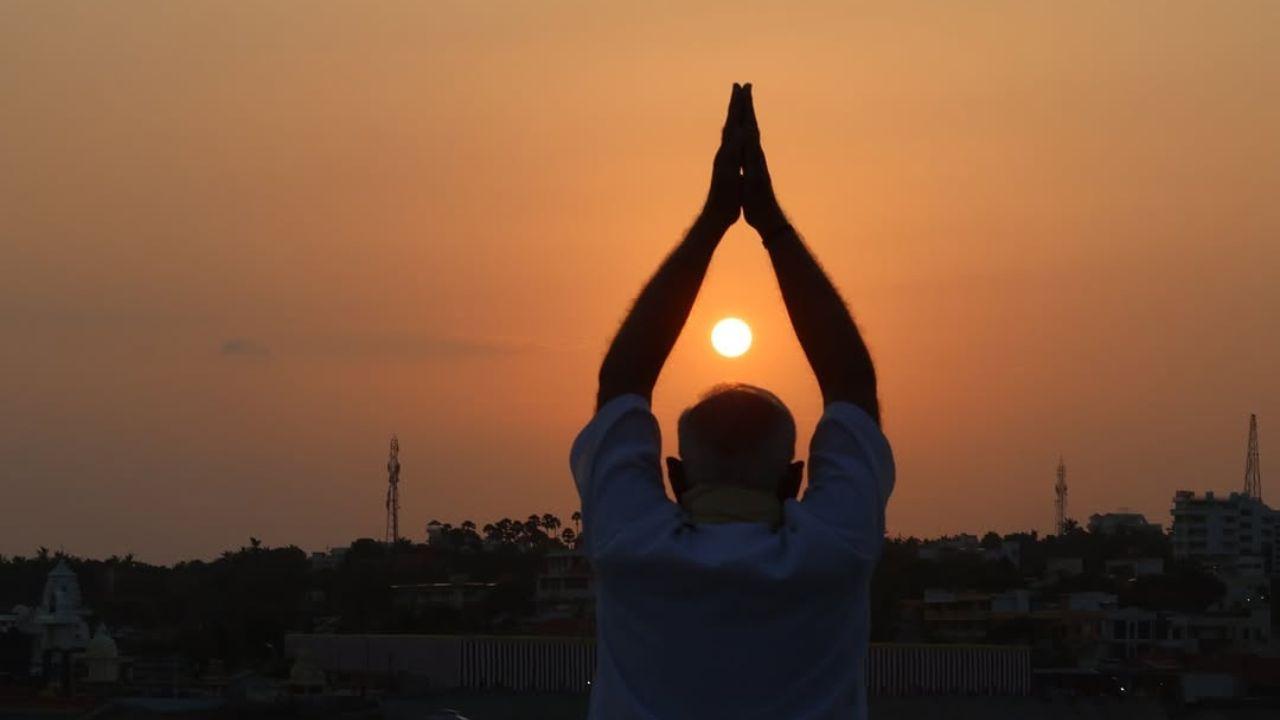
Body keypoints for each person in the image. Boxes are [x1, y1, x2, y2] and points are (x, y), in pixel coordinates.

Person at [570, 83, 894, 720]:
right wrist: (768, 223)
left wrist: (713, 221)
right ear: (796, 480)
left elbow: (622, 382)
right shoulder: (834, 556)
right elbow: (852, 385)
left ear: (675, 475)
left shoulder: (630, 548)